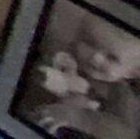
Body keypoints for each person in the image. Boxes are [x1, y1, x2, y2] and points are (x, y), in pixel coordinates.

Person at [28, 7, 140, 138]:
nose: (96, 58)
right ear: (77, 36)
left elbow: (127, 134)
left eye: (112, 58)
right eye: (90, 43)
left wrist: (79, 118)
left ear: (132, 73)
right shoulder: (62, 55)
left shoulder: (121, 95)